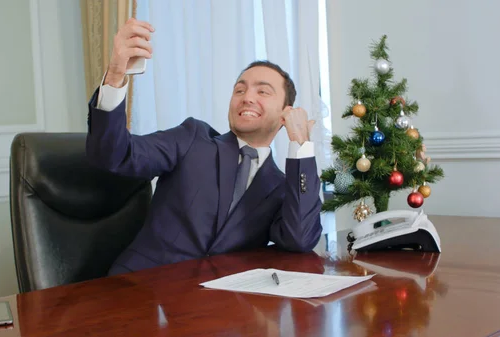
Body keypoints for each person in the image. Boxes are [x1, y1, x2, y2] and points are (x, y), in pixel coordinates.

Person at [86, 18, 323, 275]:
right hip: (142, 291)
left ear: (285, 113)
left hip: (215, 308)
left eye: (263, 92)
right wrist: (115, 75)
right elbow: (115, 155)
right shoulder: (192, 138)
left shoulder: (279, 186)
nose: (247, 98)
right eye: (239, 90)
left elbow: (300, 238)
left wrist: (301, 148)